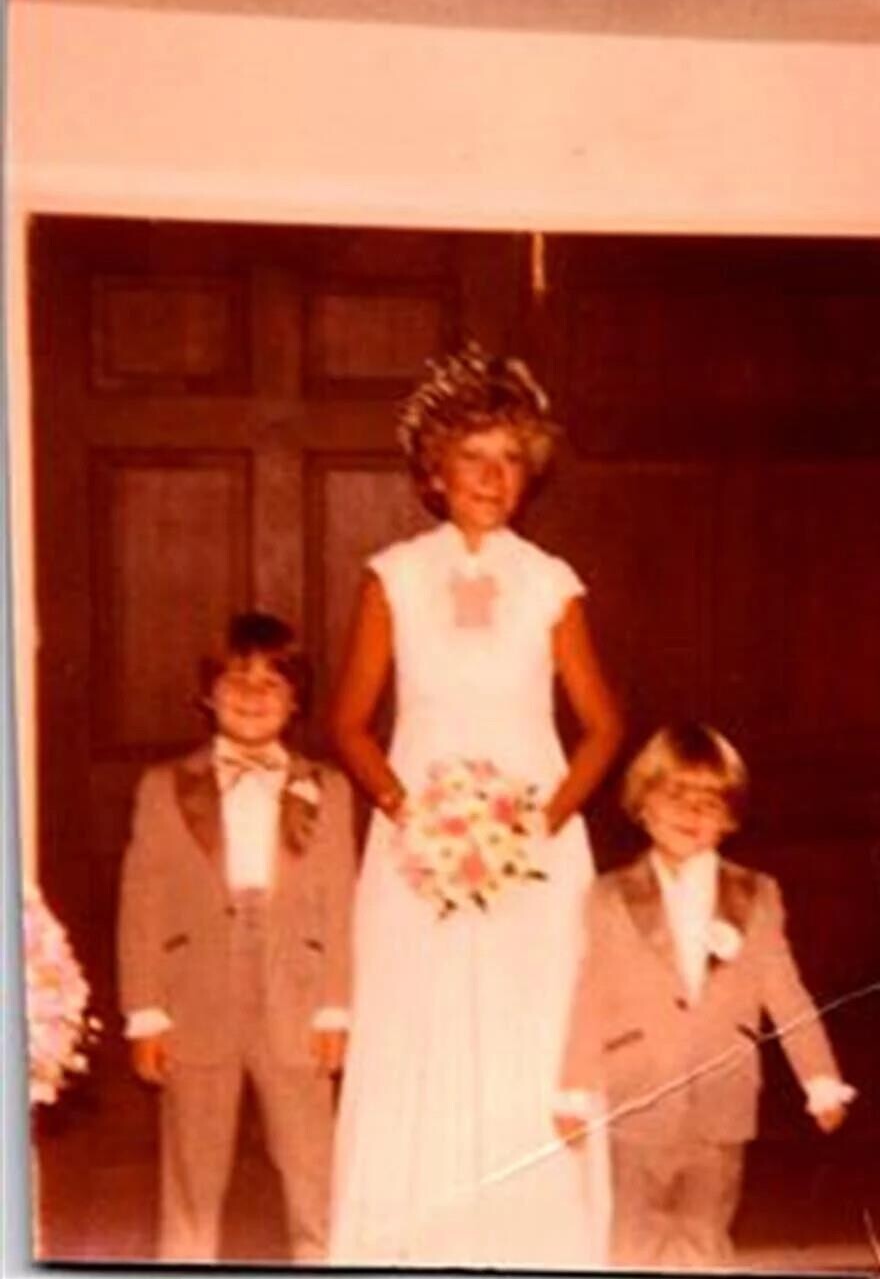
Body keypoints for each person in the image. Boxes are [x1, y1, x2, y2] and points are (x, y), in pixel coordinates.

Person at [328, 343, 623, 1266]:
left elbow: (605, 728)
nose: (492, 477)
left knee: (530, 1019)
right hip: (418, 832)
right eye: (473, 457)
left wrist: (540, 824)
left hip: (533, 836)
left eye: (510, 460)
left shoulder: (550, 582)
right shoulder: (393, 577)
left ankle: (537, 1239)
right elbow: (349, 725)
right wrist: (409, 813)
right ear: (434, 470)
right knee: (418, 1015)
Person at [555, 721, 855, 1269]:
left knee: (705, 1239)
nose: (693, 812)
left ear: (731, 817)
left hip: (723, 1101)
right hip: (638, 1098)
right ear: (642, 802)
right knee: (633, 1240)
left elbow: (786, 995)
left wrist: (821, 1080)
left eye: (710, 801)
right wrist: (573, 1090)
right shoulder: (609, 897)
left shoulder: (756, 895)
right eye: (677, 796)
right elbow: (590, 997)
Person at [117, 612, 356, 1262]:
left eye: (271, 684)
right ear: (206, 694)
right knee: (193, 1171)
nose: (253, 696)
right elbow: (141, 901)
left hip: (297, 1000)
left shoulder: (327, 789)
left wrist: (336, 1006)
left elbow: (339, 903)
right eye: (235, 681)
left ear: (297, 699)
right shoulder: (165, 787)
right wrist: (145, 1012)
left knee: (312, 1168)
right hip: (195, 998)